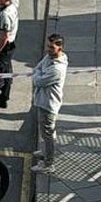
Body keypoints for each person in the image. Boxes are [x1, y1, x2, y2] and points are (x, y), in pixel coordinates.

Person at [31, 34, 68, 172]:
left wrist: (38, 74)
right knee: (46, 132)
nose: (48, 49)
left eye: (52, 47)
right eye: (48, 46)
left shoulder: (57, 69)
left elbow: (38, 80)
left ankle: (48, 164)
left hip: (49, 104)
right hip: (42, 101)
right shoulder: (49, 57)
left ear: (60, 48)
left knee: (48, 134)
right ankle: (46, 152)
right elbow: (37, 68)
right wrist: (38, 73)